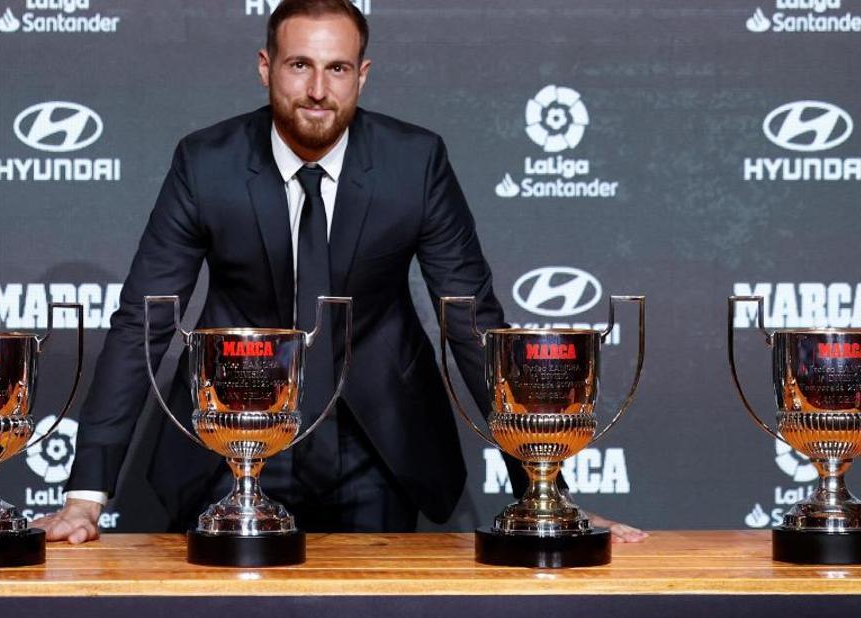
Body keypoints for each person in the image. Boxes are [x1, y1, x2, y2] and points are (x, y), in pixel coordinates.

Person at [34, 0, 645, 544]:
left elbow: (472, 326)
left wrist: (544, 491)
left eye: (338, 69)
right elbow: (146, 319)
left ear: (362, 75)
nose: (318, 90)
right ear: (265, 66)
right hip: (234, 432)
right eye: (299, 65)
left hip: (374, 441)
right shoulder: (206, 162)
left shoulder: (416, 162)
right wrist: (86, 495)